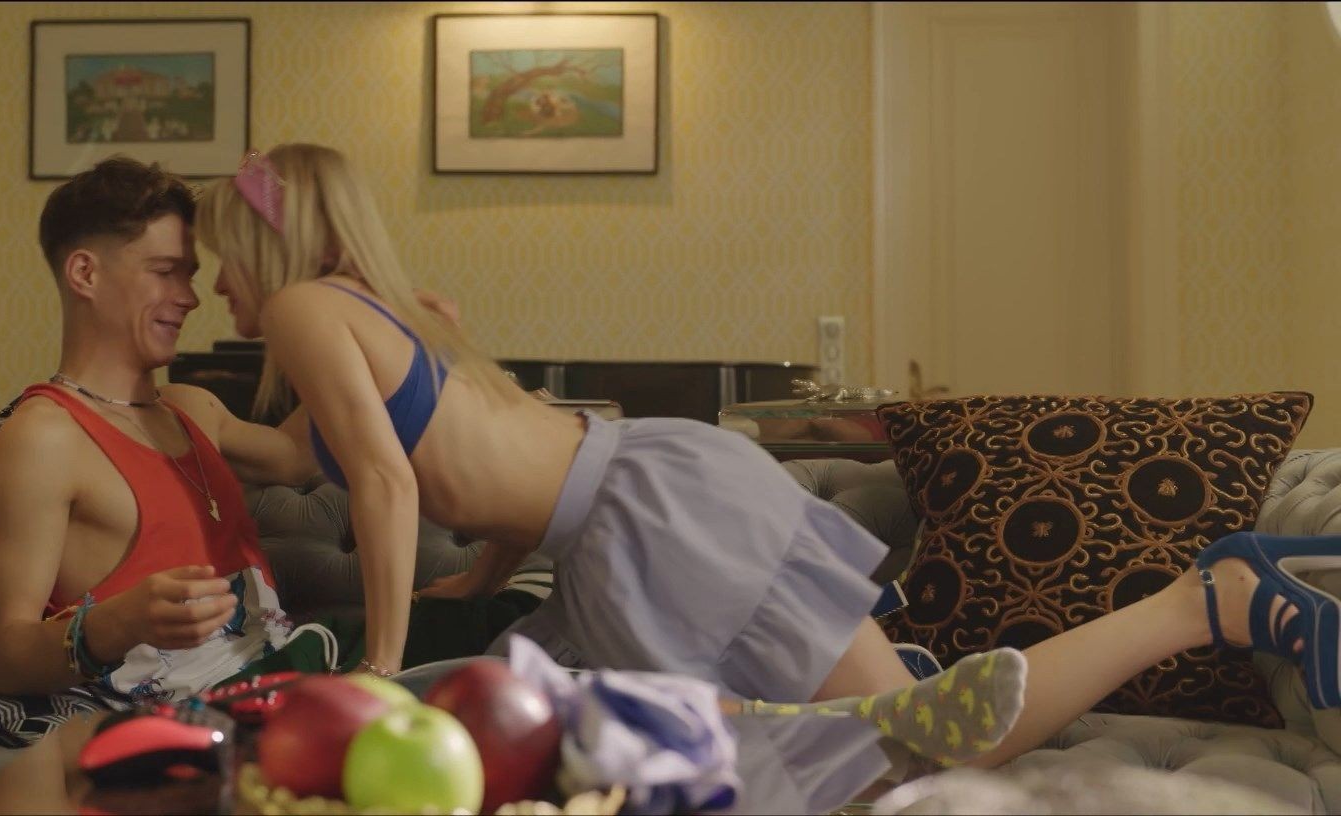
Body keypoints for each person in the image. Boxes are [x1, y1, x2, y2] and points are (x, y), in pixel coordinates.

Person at [192, 142, 1322, 768]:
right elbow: (382, 456)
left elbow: (390, 478)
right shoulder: (379, 310)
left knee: (930, 749)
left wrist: (383, 660)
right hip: (632, 509)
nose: (212, 287)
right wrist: (175, 414)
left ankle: (1201, 601)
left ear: (261, 240)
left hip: (646, 524)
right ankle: (861, 700)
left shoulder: (304, 308)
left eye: (216, 258)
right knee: (598, 749)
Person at [0, 156, 541, 710]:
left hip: (296, 660)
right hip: (215, 706)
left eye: (190, 274)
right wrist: (114, 622)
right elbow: (2, 660)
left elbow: (297, 455)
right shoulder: (46, 438)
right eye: (164, 271)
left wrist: (392, 337)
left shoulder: (189, 406)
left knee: (518, 625)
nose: (191, 297)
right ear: (85, 274)